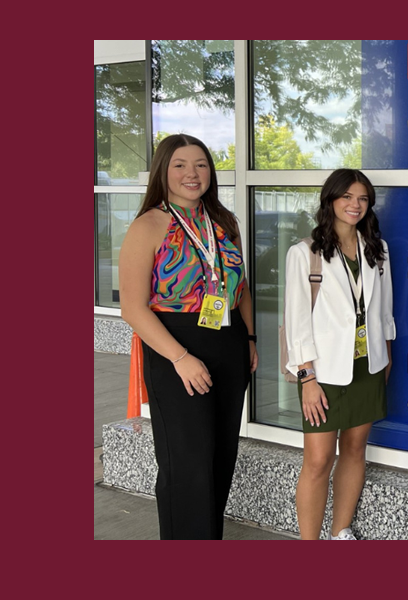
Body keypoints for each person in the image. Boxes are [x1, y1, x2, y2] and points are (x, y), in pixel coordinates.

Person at [119, 134, 258, 539]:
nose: (192, 174)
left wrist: (249, 340)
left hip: (228, 342)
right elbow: (132, 308)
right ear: (163, 170)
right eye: (180, 164)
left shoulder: (223, 222)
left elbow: (242, 287)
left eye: (200, 164)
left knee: (219, 460)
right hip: (175, 347)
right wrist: (181, 358)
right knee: (187, 466)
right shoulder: (149, 225)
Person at [284, 169, 395, 540]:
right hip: (324, 372)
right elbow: (296, 321)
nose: (355, 205)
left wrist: (386, 354)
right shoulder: (305, 254)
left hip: (367, 365)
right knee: (317, 461)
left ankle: (340, 533)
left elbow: (384, 310)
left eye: (363, 199)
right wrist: (307, 379)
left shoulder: (377, 250)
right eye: (347, 197)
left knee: (354, 449)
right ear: (330, 200)